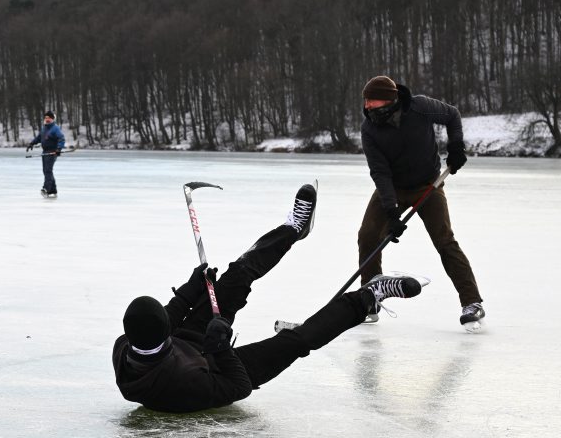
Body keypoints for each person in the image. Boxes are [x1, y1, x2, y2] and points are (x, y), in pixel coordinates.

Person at [112, 184, 428, 413]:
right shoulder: (183, 385)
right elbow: (239, 387)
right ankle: (369, 296)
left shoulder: (124, 347)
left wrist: (193, 286)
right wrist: (220, 349)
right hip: (218, 370)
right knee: (296, 341)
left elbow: (170, 316)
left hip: (189, 341)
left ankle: (293, 229)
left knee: (237, 275)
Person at [357, 75, 484, 332]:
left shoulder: (420, 107)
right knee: (368, 236)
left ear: (389, 100)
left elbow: (452, 115)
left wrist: (456, 147)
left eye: (372, 101)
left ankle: (472, 303)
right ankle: (370, 299)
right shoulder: (369, 128)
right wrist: (391, 211)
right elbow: (380, 172)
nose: (367, 106)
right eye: (366, 101)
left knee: (445, 241)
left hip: (428, 186)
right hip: (392, 187)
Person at [26, 111, 66, 197]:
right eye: (46, 118)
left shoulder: (55, 128)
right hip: (45, 152)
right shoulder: (44, 128)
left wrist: (59, 149)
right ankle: (53, 190)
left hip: (52, 152)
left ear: (52, 119)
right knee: (46, 170)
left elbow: (61, 138)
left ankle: (46, 189)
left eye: (49, 118)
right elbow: (39, 138)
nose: (47, 119)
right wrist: (32, 143)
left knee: (48, 170)